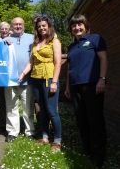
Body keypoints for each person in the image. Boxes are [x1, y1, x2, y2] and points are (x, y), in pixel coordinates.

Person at [64, 14, 107, 168]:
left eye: (80, 25)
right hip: (75, 87)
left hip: (92, 85)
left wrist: (102, 79)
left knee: (95, 120)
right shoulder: (71, 47)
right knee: (82, 120)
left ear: (86, 25)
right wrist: (68, 87)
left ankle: (98, 156)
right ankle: (87, 151)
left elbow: (103, 59)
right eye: (74, 26)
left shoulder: (95, 39)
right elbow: (69, 68)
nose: (77, 28)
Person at [19, 16, 62, 152]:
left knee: (52, 111)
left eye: (44, 25)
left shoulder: (54, 41)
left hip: (49, 78)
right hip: (35, 78)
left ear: (49, 26)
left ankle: (57, 140)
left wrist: (54, 82)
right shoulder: (36, 43)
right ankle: (44, 136)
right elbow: (31, 62)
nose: (42, 28)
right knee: (42, 110)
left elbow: (58, 63)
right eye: (39, 26)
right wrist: (23, 74)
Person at [3, 17, 35, 142]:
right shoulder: (5, 40)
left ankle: (30, 131)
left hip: (27, 79)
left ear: (24, 25)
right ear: (12, 26)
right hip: (10, 80)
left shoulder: (32, 38)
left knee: (28, 108)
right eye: (15, 24)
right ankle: (12, 132)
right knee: (11, 107)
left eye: (20, 24)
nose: (17, 26)